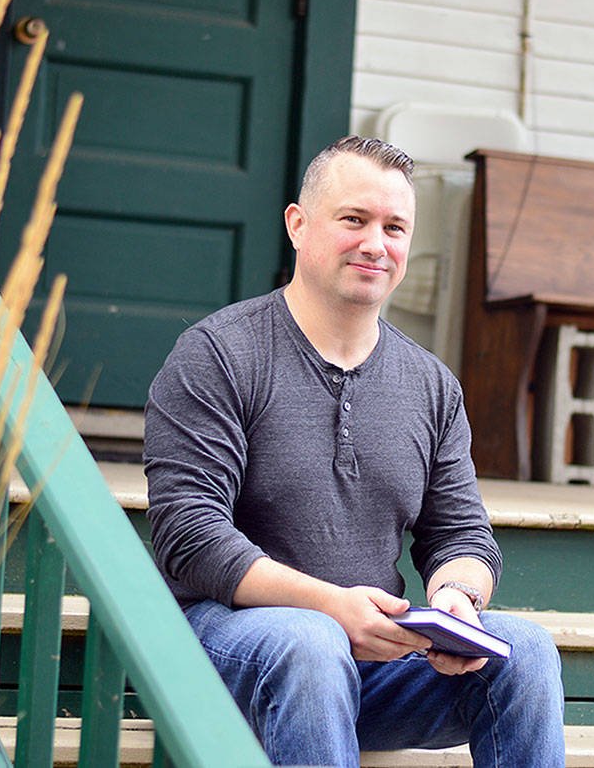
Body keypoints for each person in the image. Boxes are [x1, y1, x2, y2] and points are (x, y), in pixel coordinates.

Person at [143, 136, 566, 767]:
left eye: (395, 227)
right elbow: (190, 536)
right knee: (312, 642)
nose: (376, 243)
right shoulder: (220, 355)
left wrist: (456, 598)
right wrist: (330, 607)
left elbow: (462, 536)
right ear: (298, 224)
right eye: (354, 219)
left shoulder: (431, 385)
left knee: (526, 650)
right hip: (230, 645)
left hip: (375, 661)